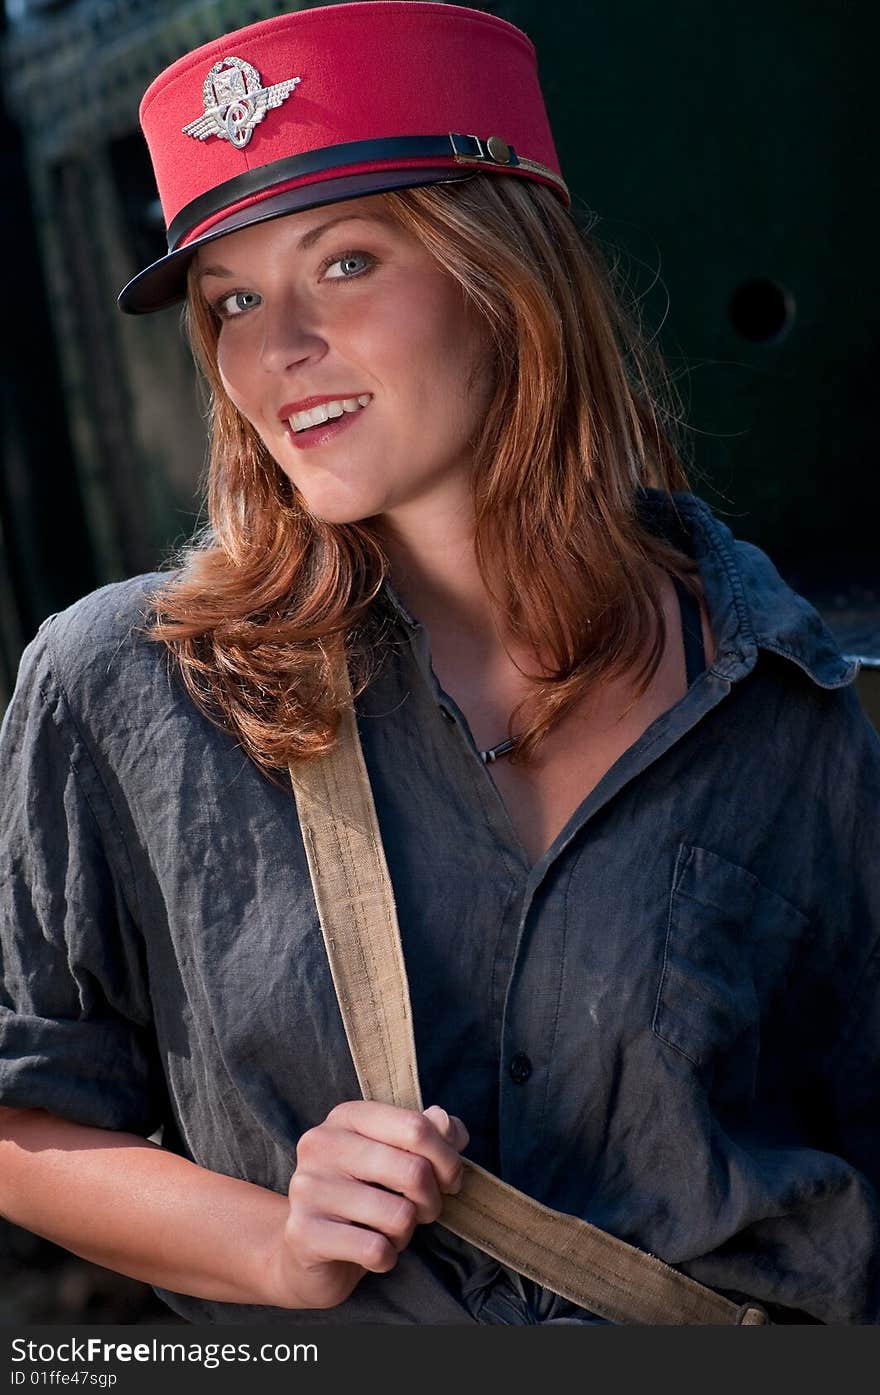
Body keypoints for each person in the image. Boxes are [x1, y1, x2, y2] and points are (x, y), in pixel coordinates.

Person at [0, 0, 878, 1327]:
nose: (277, 349)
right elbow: (25, 1113)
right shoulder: (116, 686)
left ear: (504, 274)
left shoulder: (785, 694)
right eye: (232, 298)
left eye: (345, 263)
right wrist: (276, 1247)